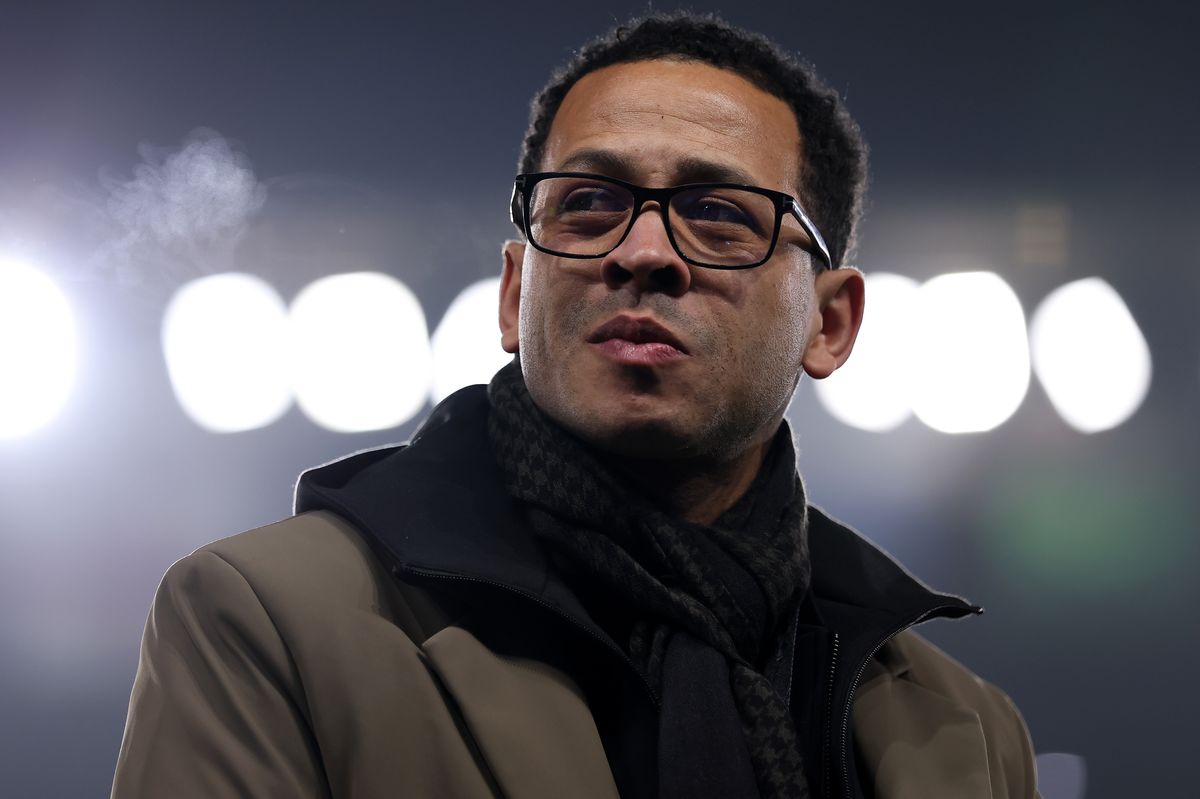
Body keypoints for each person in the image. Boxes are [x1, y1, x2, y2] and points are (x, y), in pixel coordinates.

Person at [112, 12, 1039, 799]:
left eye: (718, 214)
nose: (643, 251)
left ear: (830, 323)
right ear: (516, 294)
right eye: (589, 203)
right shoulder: (266, 620)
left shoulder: (969, 731)